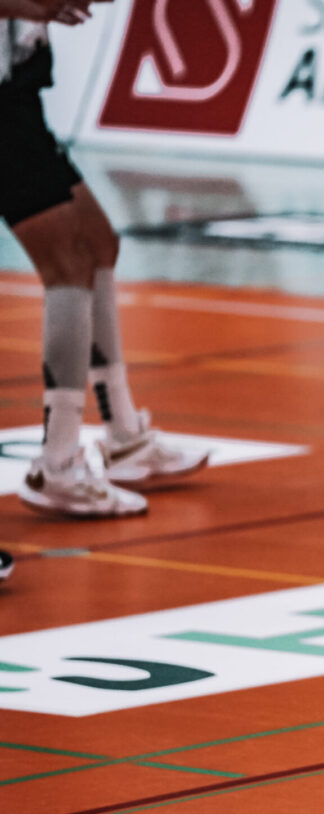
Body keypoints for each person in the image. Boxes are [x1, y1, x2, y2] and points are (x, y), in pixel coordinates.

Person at [1, 2, 208, 518]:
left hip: (18, 89)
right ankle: (58, 465)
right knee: (68, 260)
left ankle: (123, 437)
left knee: (97, 242)